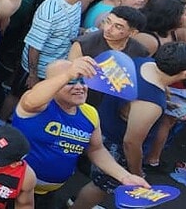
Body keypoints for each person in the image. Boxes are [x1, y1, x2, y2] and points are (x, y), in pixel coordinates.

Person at [70, 42, 186, 209]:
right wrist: (135, 172)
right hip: (114, 144)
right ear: (185, 73)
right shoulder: (150, 104)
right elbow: (131, 142)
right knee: (102, 185)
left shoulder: (143, 62)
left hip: (102, 123)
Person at [12, 58, 147, 205]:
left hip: (48, 193)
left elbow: (96, 149)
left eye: (83, 81)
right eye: (70, 82)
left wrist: (125, 177)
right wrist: (67, 75)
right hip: (13, 186)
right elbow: (32, 99)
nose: (79, 87)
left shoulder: (90, 114)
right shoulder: (36, 106)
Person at [69, 6, 150, 61]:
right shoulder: (83, 44)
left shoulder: (140, 52)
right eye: (108, 22)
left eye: (118, 27)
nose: (108, 29)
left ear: (132, 32)